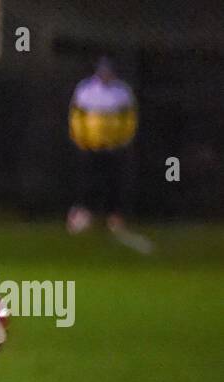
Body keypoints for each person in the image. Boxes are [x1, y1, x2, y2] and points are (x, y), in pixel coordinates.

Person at [67, 57, 149, 251]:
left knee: (114, 181)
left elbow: (129, 119)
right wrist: (81, 138)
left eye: (109, 71)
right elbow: (77, 117)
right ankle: (83, 216)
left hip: (114, 146)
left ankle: (115, 216)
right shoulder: (85, 89)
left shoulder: (122, 91)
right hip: (90, 145)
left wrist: (123, 139)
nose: (105, 75)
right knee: (87, 181)